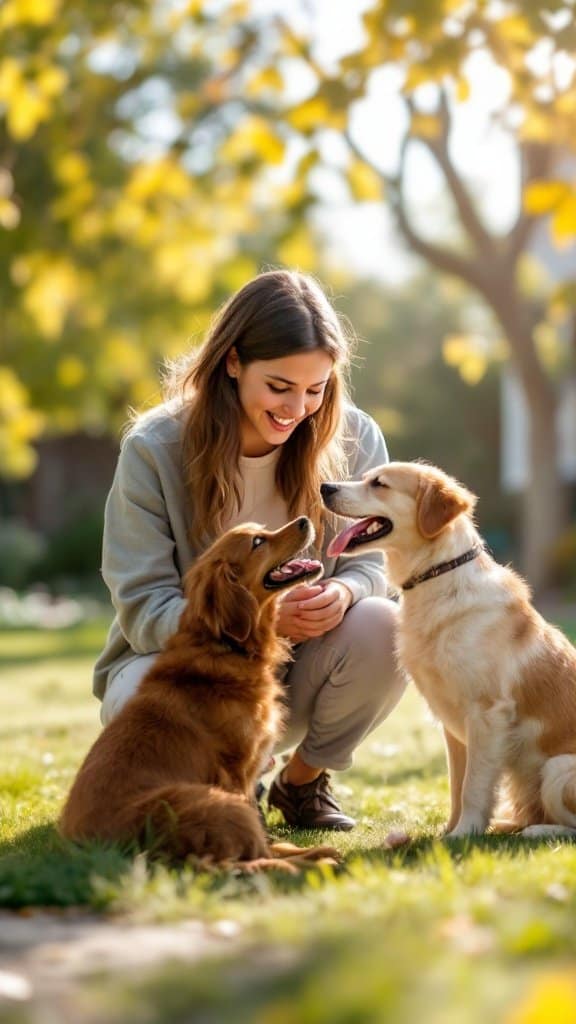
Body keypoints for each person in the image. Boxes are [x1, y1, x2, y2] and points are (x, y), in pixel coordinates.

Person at [94, 269, 406, 831]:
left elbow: (370, 563)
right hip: (186, 676)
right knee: (136, 695)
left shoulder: (356, 438)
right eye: (280, 387)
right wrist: (261, 617)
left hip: (291, 677)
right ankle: (221, 790)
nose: (297, 409)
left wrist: (344, 590)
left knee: (387, 624)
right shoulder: (154, 447)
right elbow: (142, 606)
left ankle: (302, 784)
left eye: (317, 390)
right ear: (233, 362)